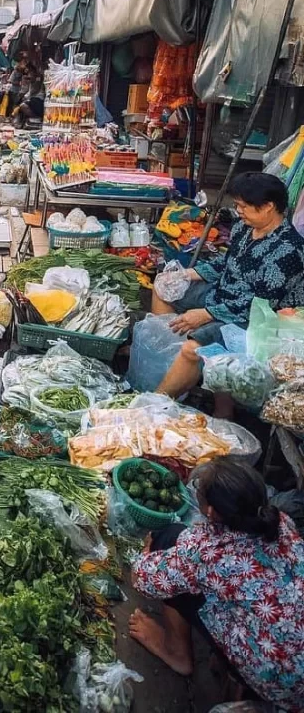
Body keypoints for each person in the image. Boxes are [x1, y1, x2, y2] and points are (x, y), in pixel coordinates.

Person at [130, 457, 304, 710]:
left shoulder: (208, 552)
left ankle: (177, 652)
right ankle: (227, 666)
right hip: (295, 666)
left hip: (279, 682)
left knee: (167, 541)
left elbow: (142, 579)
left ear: (210, 511)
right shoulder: (282, 523)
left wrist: (148, 553)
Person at [154, 171, 304, 400]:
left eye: (243, 206)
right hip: (222, 296)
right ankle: (170, 363)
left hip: (255, 320)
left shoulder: (289, 251)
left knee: (192, 349)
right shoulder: (244, 229)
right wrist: (185, 275)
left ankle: (156, 401)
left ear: (268, 207)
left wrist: (206, 314)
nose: (239, 211)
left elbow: (260, 305)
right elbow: (225, 263)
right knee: (162, 289)